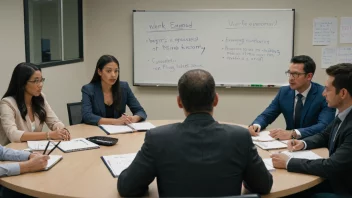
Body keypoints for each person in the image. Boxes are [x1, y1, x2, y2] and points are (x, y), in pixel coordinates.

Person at [117, 69, 273, 197]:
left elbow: (126, 187)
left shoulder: (158, 139)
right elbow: (264, 185)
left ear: (179, 102)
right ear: (216, 100)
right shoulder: (240, 137)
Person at [271, 63, 352, 197]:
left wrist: (288, 162)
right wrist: (303, 143)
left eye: (327, 89)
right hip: (336, 180)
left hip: (344, 189)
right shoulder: (343, 114)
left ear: (343, 93)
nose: (323, 93)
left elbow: (331, 166)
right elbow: (324, 136)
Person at [248, 55, 335, 140]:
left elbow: (324, 126)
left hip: (314, 143)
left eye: (296, 74)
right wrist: (256, 125)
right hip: (288, 143)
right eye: (290, 73)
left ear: (309, 76)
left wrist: (294, 133)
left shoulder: (323, 94)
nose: (291, 78)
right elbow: (267, 115)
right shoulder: (284, 92)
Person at [0, 63, 70, 146]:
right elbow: (13, 135)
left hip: (35, 151)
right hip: (13, 153)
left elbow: (54, 121)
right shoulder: (7, 104)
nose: (40, 85)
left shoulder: (40, 98)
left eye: (41, 80)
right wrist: (48, 135)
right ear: (23, 83)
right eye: (36, 81)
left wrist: (61, 130)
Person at [81, 55, 147, 126]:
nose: (113, 75)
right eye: (109, 71)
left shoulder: (124, 87)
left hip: (118, 132)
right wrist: (116, 121)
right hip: (94, 131)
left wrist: (133, 118)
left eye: (116, 71)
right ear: (99, 72)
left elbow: (140, 111)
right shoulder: (88, 89)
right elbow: (87, 116)